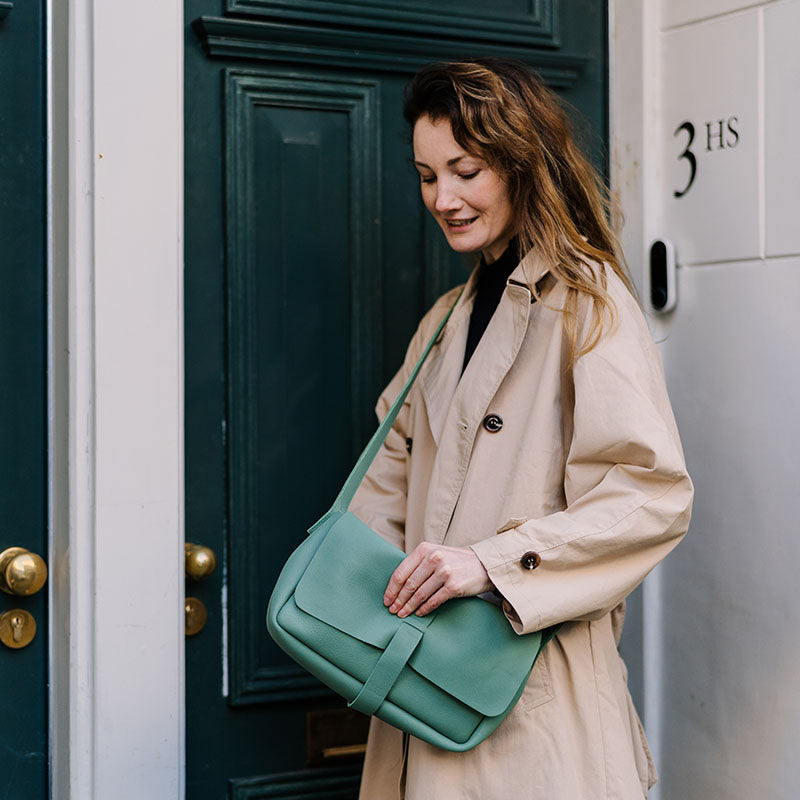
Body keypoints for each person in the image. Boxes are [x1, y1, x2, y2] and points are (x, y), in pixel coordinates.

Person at [349, 58, 693, 800]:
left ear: (518, 162)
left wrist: (494, 564)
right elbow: (385, 479)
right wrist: (372, 594)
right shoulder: (442, 323)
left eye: (466, 171)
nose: (443, 198)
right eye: (426, 175)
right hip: (418, 688)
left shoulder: (590, 304)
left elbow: (651, 496)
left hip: (537, 712)